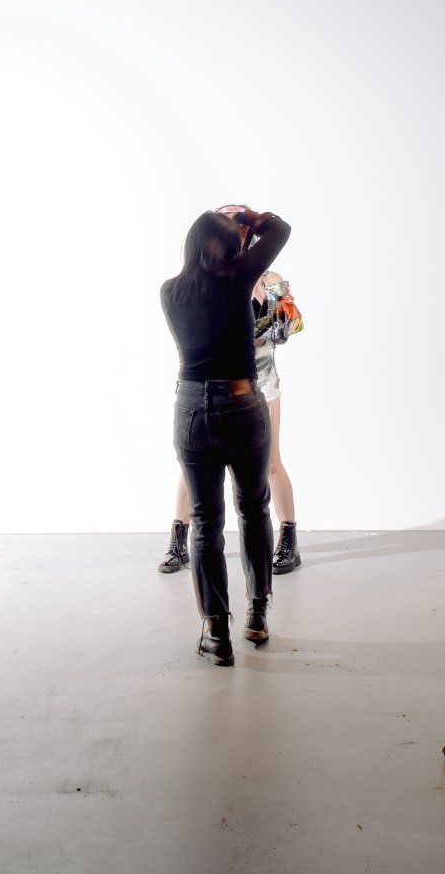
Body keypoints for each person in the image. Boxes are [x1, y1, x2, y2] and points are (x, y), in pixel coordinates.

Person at [160, 206, 291, 666]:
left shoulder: (170, 292)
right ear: (228, 247)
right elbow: (282, 230)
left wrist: (234, 231)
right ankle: (256, 615)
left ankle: (216, 634)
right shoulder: (237, 279)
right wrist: (251, 219)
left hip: (191, 407)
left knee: (205, 521)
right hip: (241, 405)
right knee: (254, 509)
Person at [158, 257, 304, 576]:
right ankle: (178, 540)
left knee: (270, 462)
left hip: (261, 384)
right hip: (211, 385)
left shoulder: (270, 279)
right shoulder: (207, 279)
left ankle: (289, 539)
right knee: (192, 465)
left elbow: (288, 329)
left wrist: (264, 296)